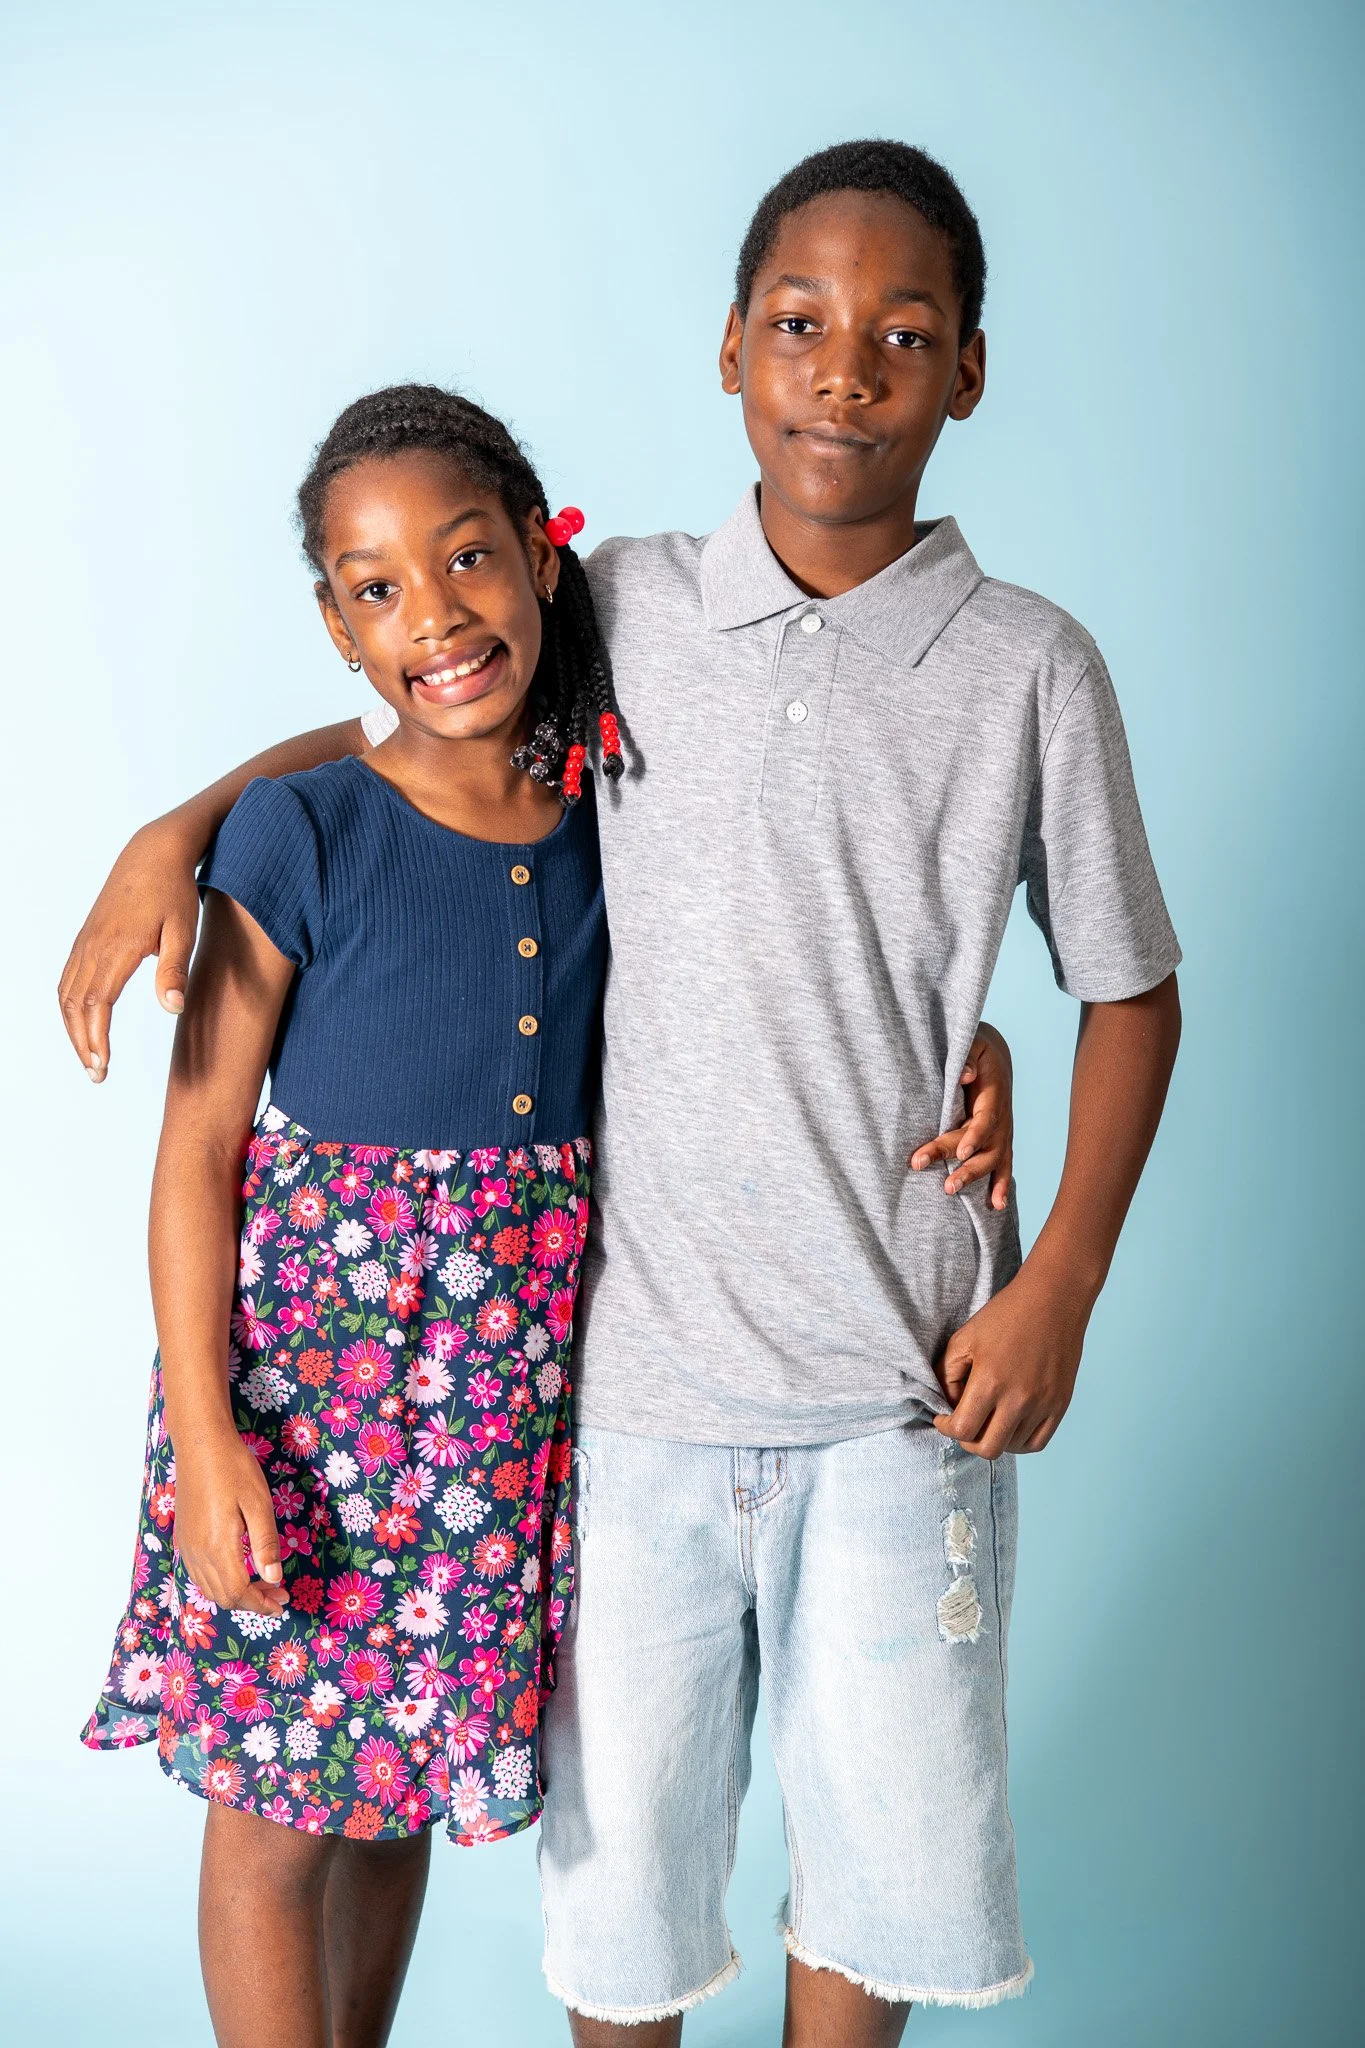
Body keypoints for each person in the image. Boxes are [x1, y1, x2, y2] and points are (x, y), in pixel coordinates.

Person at [64, 139, 1178, 2048]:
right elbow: (407, 715)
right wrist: (181, 826)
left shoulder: (1014, 668)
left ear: (969, 371)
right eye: (804, 327)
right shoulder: (625, 617)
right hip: (572, 1388)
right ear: (731, 346)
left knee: (821, 1845)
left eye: (902, 336)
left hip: (771, 1376)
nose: (847, 370)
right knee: (572, 1871)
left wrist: (1044, 1231)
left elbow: (1088, 976)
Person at [80, 385, 622, 2048]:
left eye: (468, 561)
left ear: (543, 556)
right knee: (275, 1801)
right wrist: (208, 1431)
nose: (436, 615)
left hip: (507, 1397)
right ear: (335, 624)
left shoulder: (614, 800)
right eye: (377, 588)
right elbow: (195, 1154)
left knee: (395, 1792)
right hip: (308, 1398)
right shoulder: (297, 832)